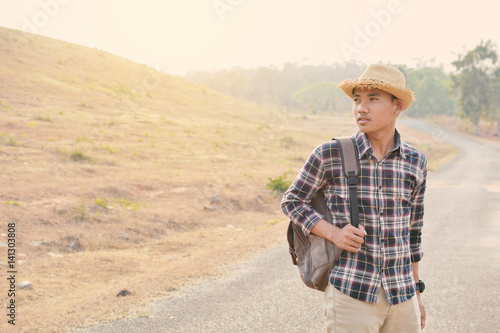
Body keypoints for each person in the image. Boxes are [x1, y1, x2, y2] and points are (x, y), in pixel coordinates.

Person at [281, 64, 427, 332]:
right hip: (352, 290)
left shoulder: (415, 161)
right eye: (357, 99)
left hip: (403, 293)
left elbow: (413, 233)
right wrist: (334, 234)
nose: (362, 108)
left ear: (397, 107)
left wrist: (416, 291)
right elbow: (292, 201)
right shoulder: (331, 153)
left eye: (373, 99)